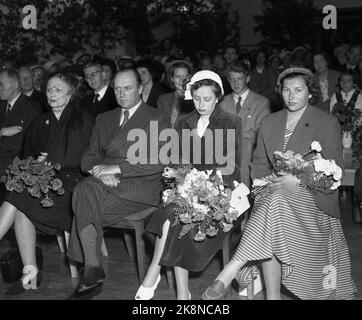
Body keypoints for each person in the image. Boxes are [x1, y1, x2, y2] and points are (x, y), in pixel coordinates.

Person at [203, 67, 356, 300]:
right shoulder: (269, 121)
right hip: (274, 195)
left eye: (298, 90)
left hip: (313, 200)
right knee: (275, 206)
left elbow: (335, 171)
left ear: (310, 92)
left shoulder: (326, 122)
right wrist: (267, 180)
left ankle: (232, 269)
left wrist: (298, 178)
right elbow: (259, 163)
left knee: (273, 206)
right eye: (286, 90)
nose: (291, 96)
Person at [135, 70, 242, 300]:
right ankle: (181, 291)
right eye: (196, 98)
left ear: (218, 97)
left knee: (173, 217)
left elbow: (232, 167)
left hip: (219, 191)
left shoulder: (231, 121)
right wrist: (184, 181)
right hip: (188, 187)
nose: (201, 104)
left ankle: (157, 272)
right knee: (174, 212)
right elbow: (177, 160)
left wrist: (203, 183)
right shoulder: (184, 122)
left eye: (207, 99)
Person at [67, 68, 166, 298]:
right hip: (103, 184)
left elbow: (160, 162)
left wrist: (117, 168)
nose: (121, 94)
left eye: (128, 88)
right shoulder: (105, 118)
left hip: (140, 186)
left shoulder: (156, 117)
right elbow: (87, 159)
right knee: (85, 189)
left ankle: (90, 269)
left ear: (140, 89)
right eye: (118, 89)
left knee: (82, 201)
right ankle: (92, 267)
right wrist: (100, 173)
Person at [0, 73, 94, 295]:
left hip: (73, 183)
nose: (51, 93)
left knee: (17, 196)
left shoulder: (82, 118)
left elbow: (79, 156)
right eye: (49, 89)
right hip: (45, 181)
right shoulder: (40, 122)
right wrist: (38, 165)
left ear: (70, 93)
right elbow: (27, 156)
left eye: (58, 90)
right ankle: (30, 270)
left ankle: (30, 271)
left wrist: (50, 160)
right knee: (20, 201)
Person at [218, 60, 270, 187]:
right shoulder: (221, 103)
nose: (235, 83)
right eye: (232, 79)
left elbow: (260, 134)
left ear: (247, 78)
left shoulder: (261, 102)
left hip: (251, 160)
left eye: (239, 79)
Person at [0, 68, 43, 179]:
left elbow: (25, 143)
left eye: (1, 84)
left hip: (14, 166)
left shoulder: (32, 107)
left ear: (15, 85)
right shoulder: (2, 105)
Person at [157, 60, 194, 128]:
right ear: (172, 78)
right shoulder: (163, 99)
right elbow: (160, 123)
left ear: (190, 77)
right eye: (178, 76)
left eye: (185, 76)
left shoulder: (196, 99)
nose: (182, 80)